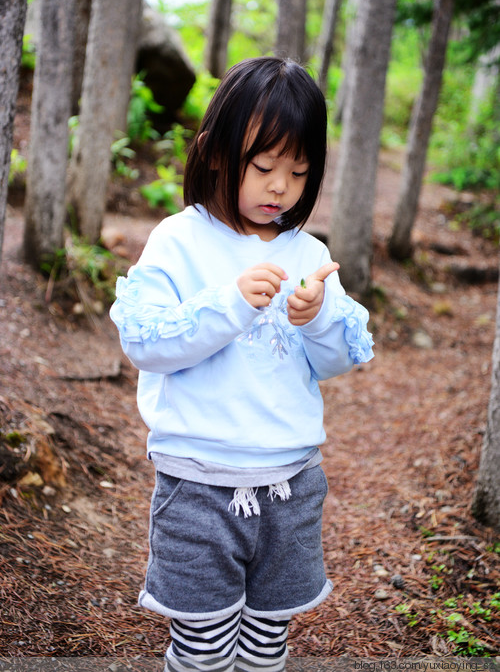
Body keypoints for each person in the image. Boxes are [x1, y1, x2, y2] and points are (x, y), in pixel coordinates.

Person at [110, 56, 374, 671]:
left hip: (291, 482)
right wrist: (230, 304)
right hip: (199, 481)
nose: (280, 187)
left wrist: (318, 320)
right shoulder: (180, 240)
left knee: (266, 642)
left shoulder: (307, 250)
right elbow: (146, 342)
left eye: (299, 171)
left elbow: (334, 363)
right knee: (202, 647)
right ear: (214, 153)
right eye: (263, 167)